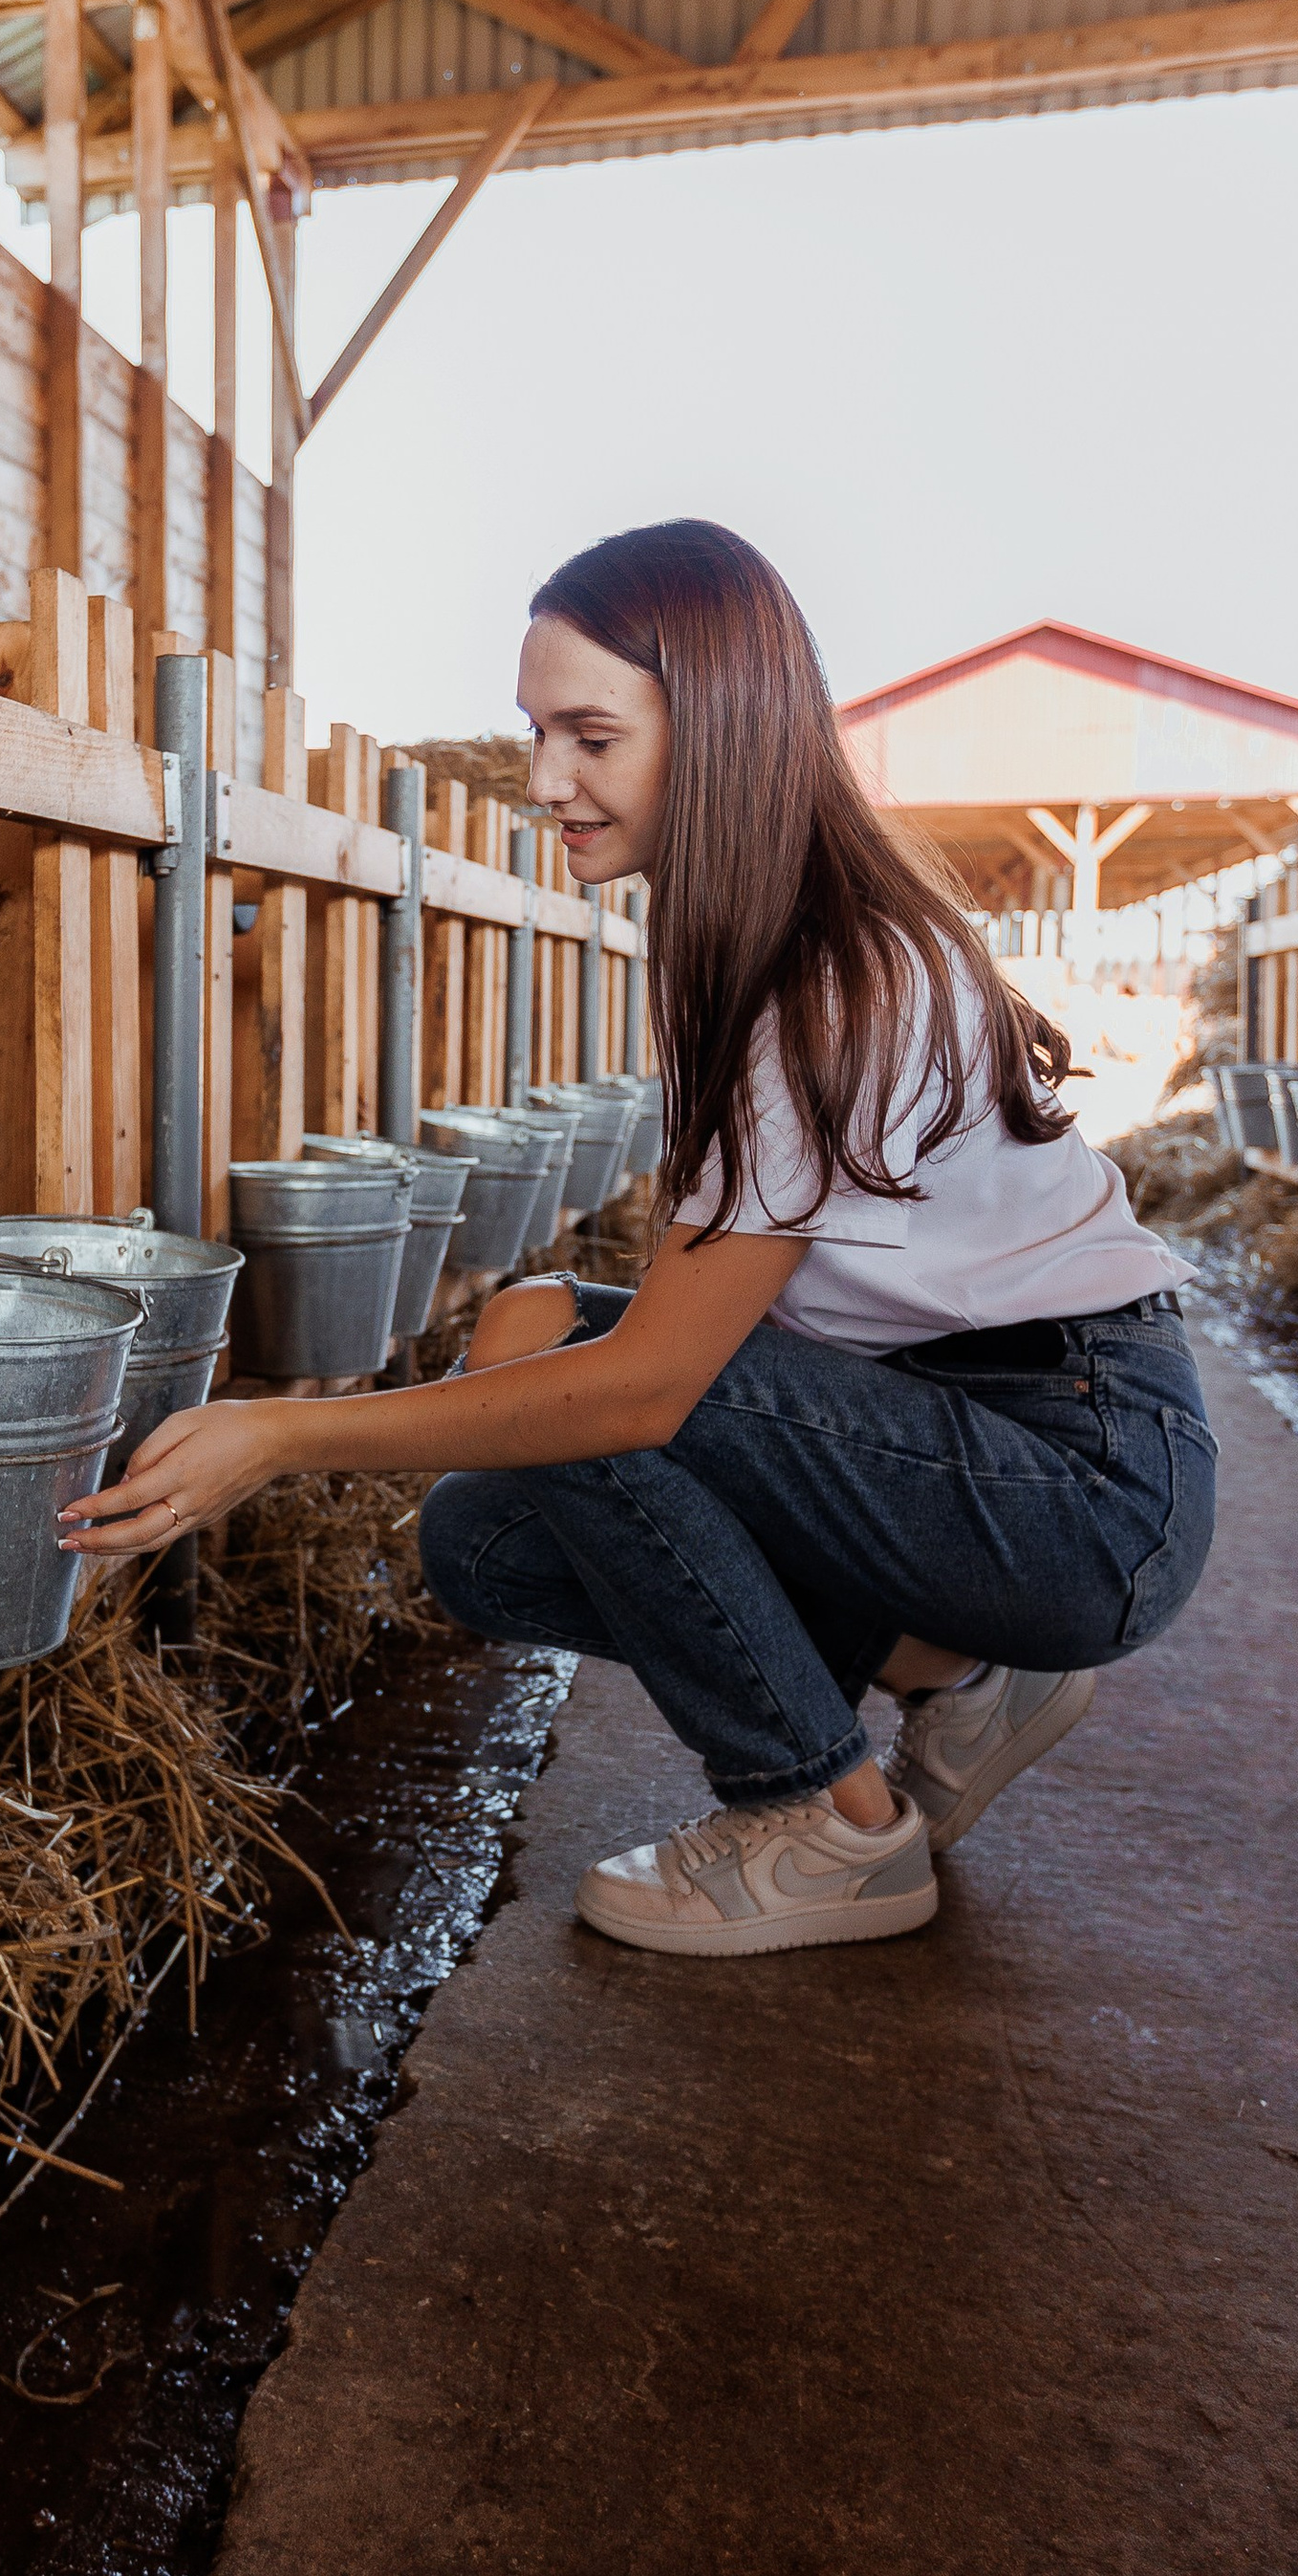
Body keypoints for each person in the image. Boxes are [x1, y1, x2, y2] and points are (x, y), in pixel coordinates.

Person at [61, 522, 1215, 1961]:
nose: (547, 778)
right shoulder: (752, 934)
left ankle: (828, 1825)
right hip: (967, 1429)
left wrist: (282, 1437)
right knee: (486, 1543)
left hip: (1083, 1483)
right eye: (538, 731)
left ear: (720, 726)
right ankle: (960, 1669)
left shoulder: (830, 981)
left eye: (590, 735)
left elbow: (645, 1390)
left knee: (584, 1373)